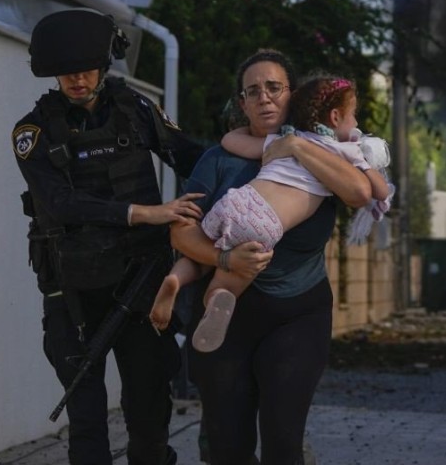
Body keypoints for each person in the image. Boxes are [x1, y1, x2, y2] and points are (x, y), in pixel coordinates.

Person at [12, 8, 207, 465]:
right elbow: (61, 204)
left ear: (104, 66)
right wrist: (144, 212)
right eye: (67, 73)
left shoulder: (135, 109)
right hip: (73, 289)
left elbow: (191, 158)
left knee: (148, 411)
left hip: (141, 282)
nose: (77, 80)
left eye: (85, 70)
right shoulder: (32, 131)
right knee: (86, 420)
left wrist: (258, 161)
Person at [171, 49, 374, 464]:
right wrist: (225, 260)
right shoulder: (219, 160)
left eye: (274, 88)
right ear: (242, 103)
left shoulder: (323, 151)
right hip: (228, 314)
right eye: (253, 91)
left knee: (283, 444)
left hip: (298, 313)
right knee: (227, 450)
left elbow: (359, 193)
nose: (264, 97)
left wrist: (296, 147)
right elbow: (181, 230)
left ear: (293, 95)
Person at [148, 75, 392, 353]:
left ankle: (175, 279)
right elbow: (379, 192)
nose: (357, 124)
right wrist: (369, 166)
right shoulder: (346, 153)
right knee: (230, 278)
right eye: (354, 117)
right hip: (265, 224)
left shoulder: (285, 139)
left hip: (237, 201)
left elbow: (231, 140)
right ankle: (218, 298)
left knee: (199, 253)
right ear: (336, 117)